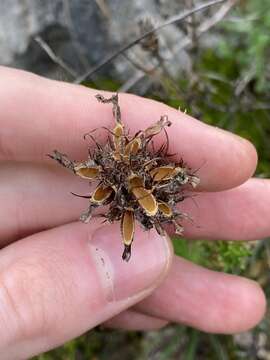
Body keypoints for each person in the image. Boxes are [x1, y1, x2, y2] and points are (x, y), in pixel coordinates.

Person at [0, 66, 267, 359]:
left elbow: (138, 178)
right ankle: (130, 235)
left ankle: (134, 229)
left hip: (139, 190)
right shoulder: (118, 174)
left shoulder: (135, 175)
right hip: (130, 191)